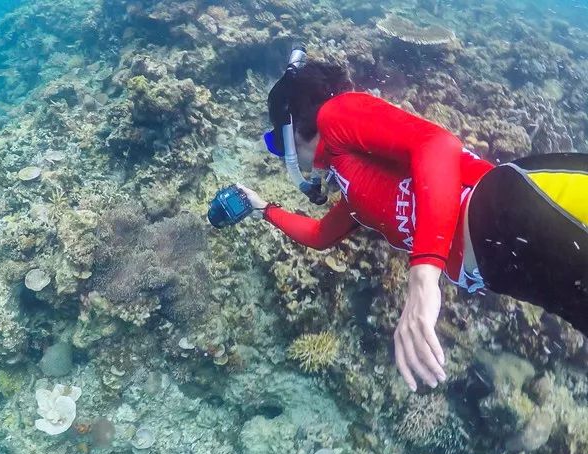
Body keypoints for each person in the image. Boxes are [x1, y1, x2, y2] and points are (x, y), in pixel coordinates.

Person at [214, 46, 588, 393]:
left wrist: (423, 278)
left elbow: (437, 144)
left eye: (277, 144)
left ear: (292, 127)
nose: (281, 156)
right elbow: (318, 235)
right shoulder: (353, 192)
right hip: (509, 269)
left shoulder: (336, 115)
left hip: (521, 205)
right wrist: (262, 208)